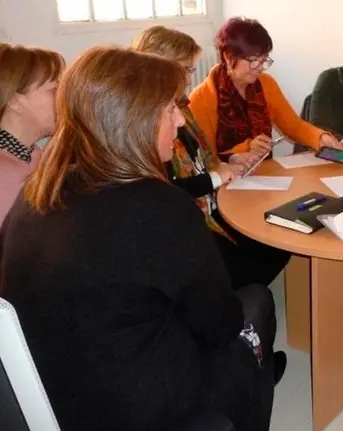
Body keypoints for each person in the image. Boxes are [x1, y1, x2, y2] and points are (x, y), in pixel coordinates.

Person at [0, 46, 275, 431]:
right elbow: (220, 325)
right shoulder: (160, 207)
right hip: (141, 408)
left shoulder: (35, 193)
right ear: (134, 120)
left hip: (59, 399)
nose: (180, 121)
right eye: (169, 110)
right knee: (257, 303)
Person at [132, 24, 287, 386]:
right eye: (185, 69)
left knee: (275, 240)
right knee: (263, 259)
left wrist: (231, 164)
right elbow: (173, 186)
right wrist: (219, 176)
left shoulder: (179, 108)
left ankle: (230, 313)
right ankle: (232, 327)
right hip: (198, 221)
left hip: (211, 207)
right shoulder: (151, 123)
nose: (189, 77)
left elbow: (206, 157)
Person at [190, 17, 343, 161]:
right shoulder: (201, 99)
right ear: (228, 56)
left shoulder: (265, 84)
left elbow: (293, 127)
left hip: (265, 174)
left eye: (264, 60)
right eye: (253, 60)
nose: (260, 67)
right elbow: (207, 159)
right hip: (227, 181)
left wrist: (322, 137)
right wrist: (246, 148)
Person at [0, 43, 64, 223]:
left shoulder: (34, 154)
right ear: (14, 101)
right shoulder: (3, 174)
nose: (63, 98)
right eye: (53, 90)